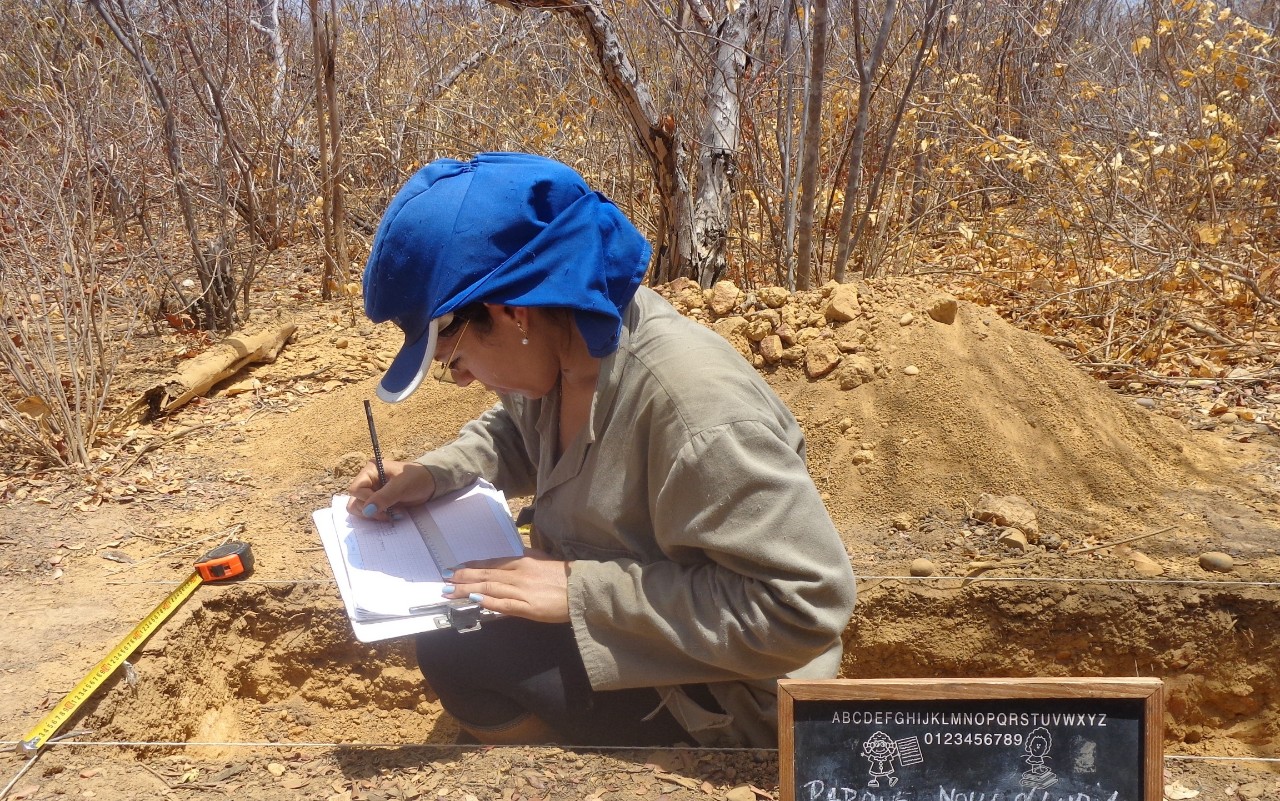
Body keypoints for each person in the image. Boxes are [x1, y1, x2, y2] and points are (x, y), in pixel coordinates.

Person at [346, 152, 857, 748]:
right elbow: (516, 434)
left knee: (465, 657)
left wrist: (580, 592)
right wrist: (433, 474)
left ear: (511, 311)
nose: (459, 380)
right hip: (650, 641)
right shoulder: (566, 344)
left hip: (725, 693)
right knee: (458, 640)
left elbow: (802, 606)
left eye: (454, 357)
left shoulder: (697, 413)